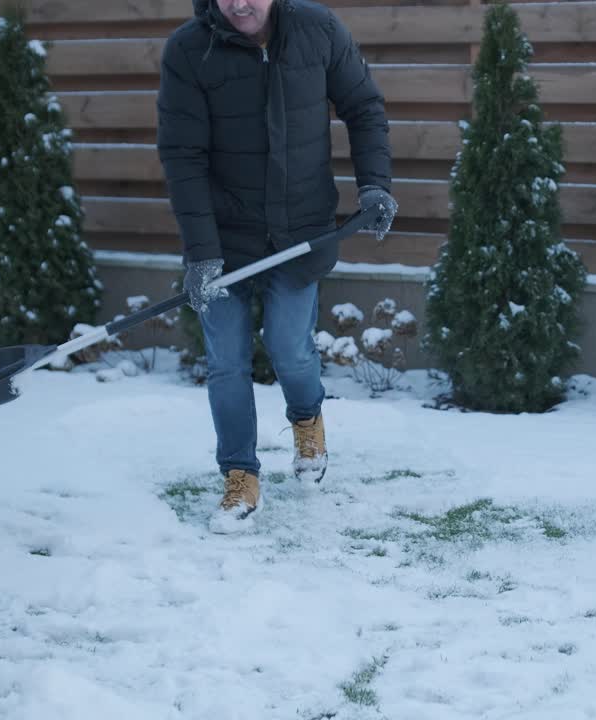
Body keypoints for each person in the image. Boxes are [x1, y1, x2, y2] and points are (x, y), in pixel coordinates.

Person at [157, 0, 397, 533]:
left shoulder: (319, 30)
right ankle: (240, 474)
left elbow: (363, 107)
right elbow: (182, 155)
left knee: (290, 348)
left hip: (300, 233)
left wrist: (374, 183)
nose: (240, 3)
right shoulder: (189, 51)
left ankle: (307, 419)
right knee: (226, 363)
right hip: (223, 238)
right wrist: (201, 251)